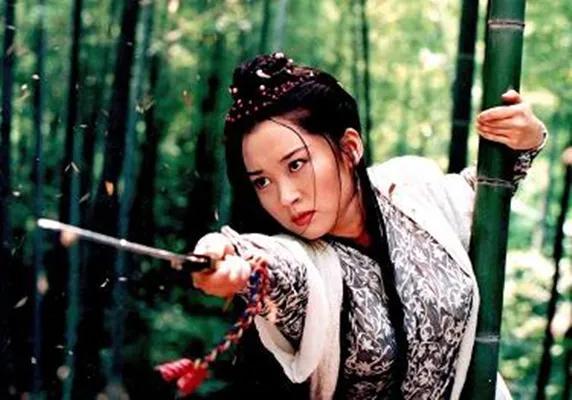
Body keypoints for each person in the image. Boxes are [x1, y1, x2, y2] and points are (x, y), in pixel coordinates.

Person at [189, 53, 546, 399]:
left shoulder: (409, 188)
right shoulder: (304, 261)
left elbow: (482, 191)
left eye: (296, 165)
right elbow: (272, 266)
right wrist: (226, 259)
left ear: (349, 148)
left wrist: (528, 138)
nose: (285, 197)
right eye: (262, 181)